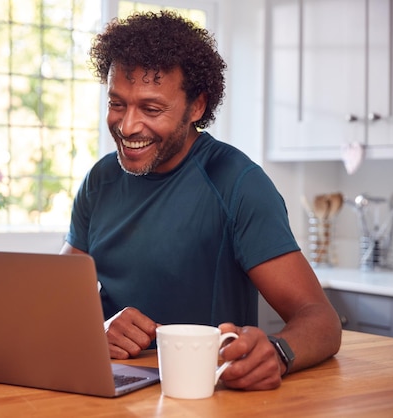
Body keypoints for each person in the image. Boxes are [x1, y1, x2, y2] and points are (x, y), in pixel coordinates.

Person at [60, 10, 341, 391]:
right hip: (109, 394)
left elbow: (320, 319)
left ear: (197, 108)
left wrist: (277, 352)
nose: (127, 126)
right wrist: (97, 330)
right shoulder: (101, 179)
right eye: (118, 103)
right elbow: (57, 305)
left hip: (203, 396)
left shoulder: (238, 183)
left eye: (151, 108)